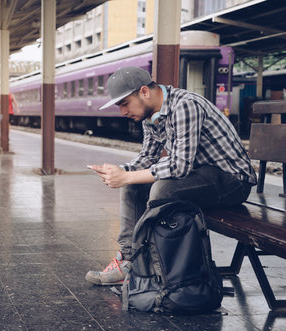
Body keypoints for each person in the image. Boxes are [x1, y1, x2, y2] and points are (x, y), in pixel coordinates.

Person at [85, 66, 257, 286]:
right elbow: (147, 158)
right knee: (133, 185)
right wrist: (120, 172)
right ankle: (129, 260)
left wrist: (127, 177)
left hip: (232, 181)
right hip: (200, 176)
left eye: (125, 103)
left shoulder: (185, 105)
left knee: (162, 189)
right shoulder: (150, 116)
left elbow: (180, 167)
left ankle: (157, 265)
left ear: (144, 92)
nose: (122, 112)